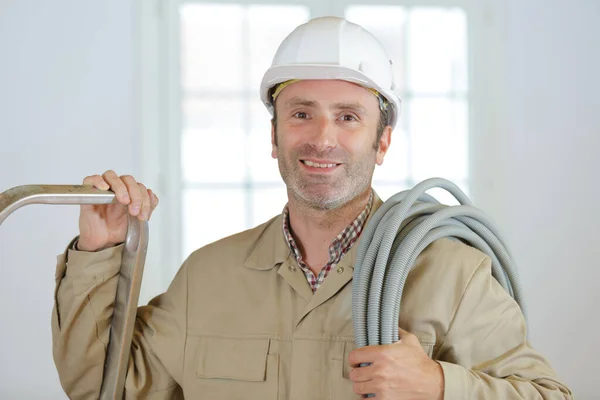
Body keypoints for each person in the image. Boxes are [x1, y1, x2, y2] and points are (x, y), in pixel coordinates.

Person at [51, 16, 572, 399]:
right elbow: (101, 387)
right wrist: (100, 250)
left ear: (382, 142)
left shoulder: (452, 275)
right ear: (275, 136)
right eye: (302, 114)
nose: (322, 138)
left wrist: (439, 385)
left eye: (348, 117)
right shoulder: (208, 278)